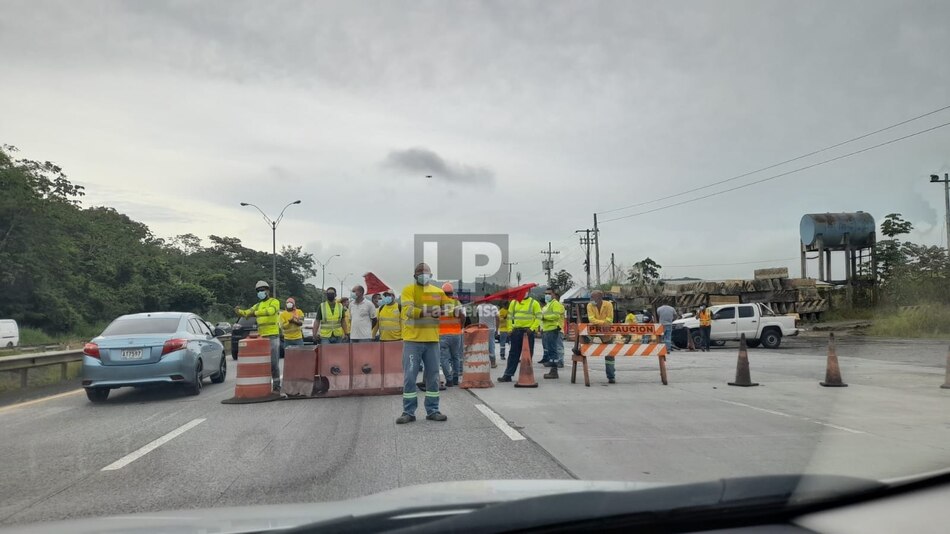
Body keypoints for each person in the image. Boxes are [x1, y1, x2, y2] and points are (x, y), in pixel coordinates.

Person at [397, 263, 449, 424]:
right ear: (415, 275)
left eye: (426, 272)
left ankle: (433, 410)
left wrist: (448, 309)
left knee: (433, 377)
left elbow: (447, 308)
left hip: (432, 340)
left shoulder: (438, 292)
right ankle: (408, 412)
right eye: (420, 272)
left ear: (431, 275)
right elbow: (409, 311)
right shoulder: (408, 290)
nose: (423, 274)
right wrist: (431, 311)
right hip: (412, 341)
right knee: (410, 377)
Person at [235, 280, 282, 391]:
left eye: (262, 290)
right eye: (258, 291)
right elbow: (247, 312)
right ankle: (263, 386)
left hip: (273, 335)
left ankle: (276, 386)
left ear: (267, 291)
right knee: (262, 363)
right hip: (261, 337)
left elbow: (270, 311)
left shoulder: (274, 302)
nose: (260, 292)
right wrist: (240, 311)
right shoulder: (258, 305)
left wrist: (255, 313)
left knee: (274, 363)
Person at [497, 292, 541, 383]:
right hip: (516, 331)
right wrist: (510, 329)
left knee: (527, 355)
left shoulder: (534, 303)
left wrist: (532, 328)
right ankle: (508, 375)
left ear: (528, 292)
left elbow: (539, 317)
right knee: (513, 354)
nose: (524, 293)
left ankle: (527, 376)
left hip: (528, 332)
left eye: (525, 291)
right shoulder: (514, 302)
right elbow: (509, 317)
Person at [586, 290, 616, 383]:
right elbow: (591, 319)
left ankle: (611, 377)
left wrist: (598, 323)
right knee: (583, 341)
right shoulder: (590, 305)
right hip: (594, 331)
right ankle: (579, 349)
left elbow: (610, 319)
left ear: (599, 298)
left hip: (607, 333)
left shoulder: (608, 305)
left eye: (592, 297)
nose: (591, 299)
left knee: (609, 355)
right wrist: (603, 323)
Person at [438, 282, 464, 386]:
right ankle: (455, 378)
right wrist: (461, 327)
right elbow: (463, 316)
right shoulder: (456, 302)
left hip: (443, 334)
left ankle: (449, 380)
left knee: (444, 358)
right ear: (452, 292)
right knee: (455, 356)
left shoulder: (439, 303)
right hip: (456, 334)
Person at [541, 288, 566, 379]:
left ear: (554, 295)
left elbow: (555, 316)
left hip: (553, 329)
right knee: (551, 351)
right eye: (545, 293)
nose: (547, 295)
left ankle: (554, 370)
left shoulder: (555, 304)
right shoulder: (548, 304)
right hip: (547, 329)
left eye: (549, 293)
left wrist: (544, 317)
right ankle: (553, 368)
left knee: (554, 350)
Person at [475, 294, 499, 368]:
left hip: (482, 329)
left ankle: (482, 362)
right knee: (491, 345)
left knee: (482, 345)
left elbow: (477, 316)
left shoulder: (479, 307)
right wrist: (497, 329)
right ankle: (493, 363)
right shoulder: (494, 307)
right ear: (491, 299)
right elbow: (497, 318)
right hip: (491, 329)